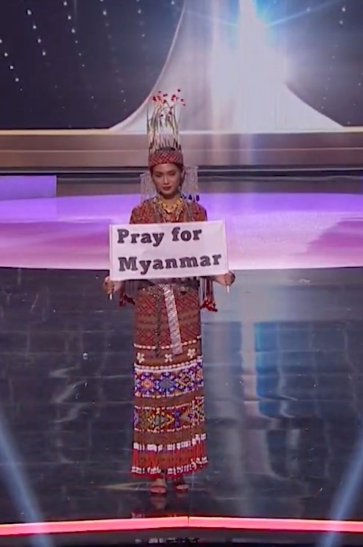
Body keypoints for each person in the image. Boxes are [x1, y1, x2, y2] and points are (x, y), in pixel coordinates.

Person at [103, 91, 235, 495]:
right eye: (158, 175)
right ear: (152, 176)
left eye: (171, 174)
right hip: (150, 311)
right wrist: (115, 279)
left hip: (183, 306)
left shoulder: (198, 215)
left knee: (184, 384)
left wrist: (222, 275)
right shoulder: (140, 216)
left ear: (181, 175)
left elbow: (207, 257)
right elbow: (129, 258)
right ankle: (155, 469)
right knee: (151, 387)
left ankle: (180, 466)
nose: (165, 181)